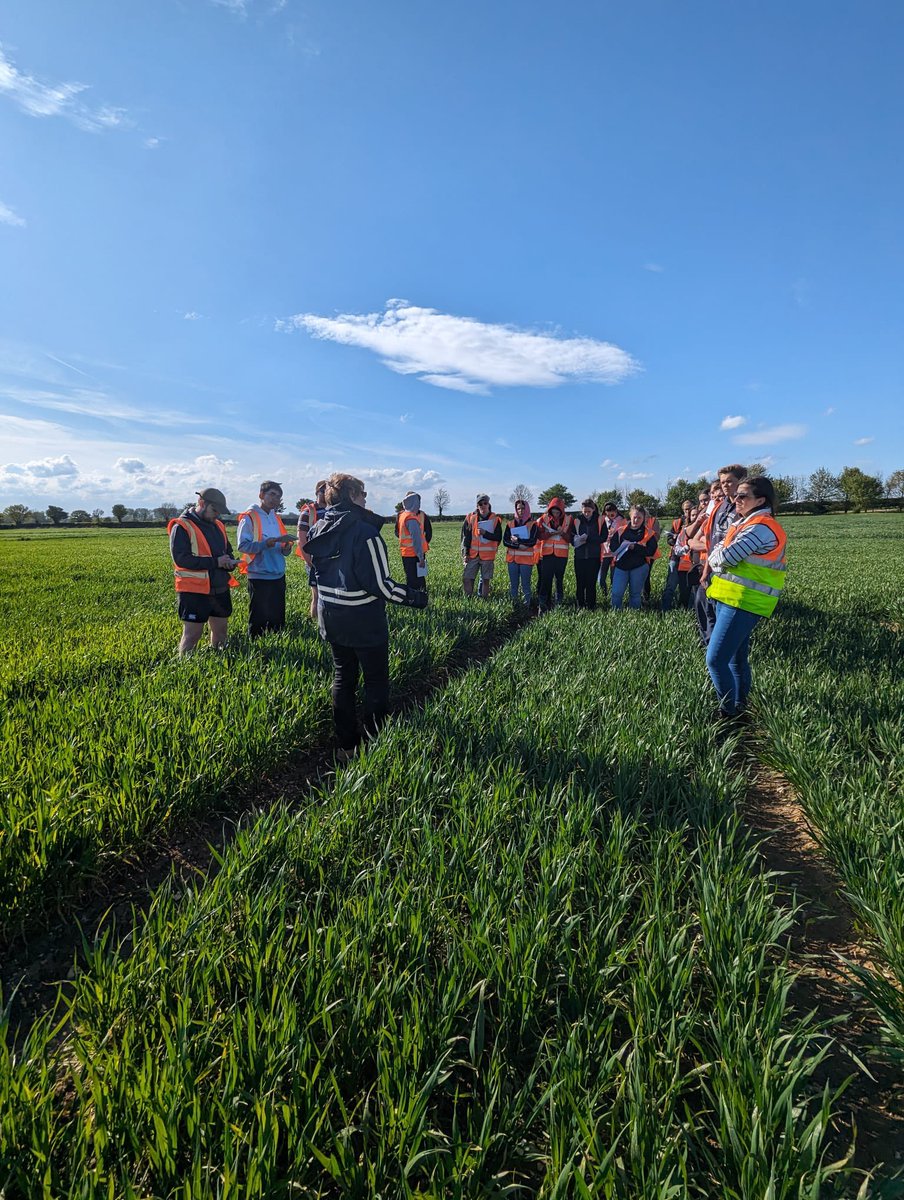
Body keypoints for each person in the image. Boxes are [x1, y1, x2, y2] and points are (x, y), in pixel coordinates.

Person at [306, 473, 428, 755]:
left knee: (342, 678)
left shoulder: (319, 528)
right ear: (351, 495)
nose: (366, 498)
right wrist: (415, 598)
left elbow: (316, 574)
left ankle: (347, 745)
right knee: (375, 682)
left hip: (331, 616)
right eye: (363, 494)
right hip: (363, 621)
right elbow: (382, 586)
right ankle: (376, 743)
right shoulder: (365, 533)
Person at [705, 476, 786, 718]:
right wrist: (718, 554)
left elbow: (724, 557)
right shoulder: (745, 523)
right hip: (730, 598)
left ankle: (727, 712)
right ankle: (740, 707)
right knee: (735, 660)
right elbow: (719, 549)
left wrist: (716, 556)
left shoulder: (761, 527)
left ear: (760, 500)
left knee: (716, 660)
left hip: (744, 601)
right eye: (736, 495)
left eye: (743, 496)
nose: (736, 499)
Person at [168, 487, 238, 655]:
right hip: (194, 591)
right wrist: (216, 562)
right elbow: (181, 559)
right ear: (201, 503)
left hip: (220, 587)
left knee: (221, 633)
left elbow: (227, 551)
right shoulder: (182, 526)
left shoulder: (219, 526)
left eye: (219, 512)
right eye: (214, 510)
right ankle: (184, 668)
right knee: (192, 635)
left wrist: (229, 562)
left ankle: (218, 661)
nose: (217, 515)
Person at [692, 465, 745, 647]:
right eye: (723, 482)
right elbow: (711, 542)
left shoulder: (744, 508)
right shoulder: (718, 508)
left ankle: (722, 647)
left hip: (734, 570)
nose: (725, 485)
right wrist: (705, 570)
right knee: (702, 603)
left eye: (730, 481)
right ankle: (709, 644)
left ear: (741, 482)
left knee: (723, 612)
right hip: (713, 566)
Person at [236, 480, 294, 638]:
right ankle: (257, 649)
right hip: (258, 573)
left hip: (278, 573)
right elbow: (242, 546)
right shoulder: (249, 518)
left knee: (277, 616)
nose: (275, 499)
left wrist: (286, 548)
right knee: (258, 617)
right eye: (272, 494)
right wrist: (265, 544)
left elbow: (283, 549)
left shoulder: (276, 518)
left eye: (279, 497)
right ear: (261, 495)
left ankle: (277, 644)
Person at [609, 505, 657, 610]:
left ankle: (634, 616)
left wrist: (635, 547)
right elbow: (612, 547)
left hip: (639, 566)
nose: (636, 520)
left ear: (644, 518)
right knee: (616, 593)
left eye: (639, 518)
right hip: (621, 566)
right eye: (634, 517)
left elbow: (651, 551)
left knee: (635, 595)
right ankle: (615, 614)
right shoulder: (621, 530)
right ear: (630, 516)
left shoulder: (648, 533)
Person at [296, 480, 327, 619]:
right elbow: (301, 539)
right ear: (316, 493)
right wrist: (309, 562)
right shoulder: (308, 512)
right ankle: (316, 623)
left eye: (328, 490)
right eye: (322, 490)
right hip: (314, 560)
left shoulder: (333, 510)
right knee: (317, 595)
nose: (326, 493)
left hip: (330, 560)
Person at [536, 497, 573, 612]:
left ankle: (558, 604)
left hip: (562, 555)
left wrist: (562, 533)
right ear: (550, 510)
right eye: (553, 512)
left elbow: (570, 539)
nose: (556, 514)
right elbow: (539, 535)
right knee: (546, 580)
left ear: (562, 511)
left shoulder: (569, 519)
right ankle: (542, 604)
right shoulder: (543, 518)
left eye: (558, 512)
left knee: (559, 579)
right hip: (547, 554)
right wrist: (549, 534)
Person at [461, 494, 502, 598]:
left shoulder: (495, 519)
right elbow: (466, 537)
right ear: (477, 505)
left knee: (485, 580)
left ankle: (484, 601)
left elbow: (498, 537)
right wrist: (465, 554)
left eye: (485, 503)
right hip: (472, 555)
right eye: (480, 503)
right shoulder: (470, 518)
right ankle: (468, 601)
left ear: (489, 504)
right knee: (467, 578)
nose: (483, 505)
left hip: (488, 555)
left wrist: (485, 533)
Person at [394, 491, 432, 590]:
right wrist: (420, 557)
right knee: (418, 579)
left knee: (410, 578)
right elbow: (416, 539)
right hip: (415, 553)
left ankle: (412, 599)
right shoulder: (411, 518)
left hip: (406, 553)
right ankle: (420, 600)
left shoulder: (402, 515)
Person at [503, 498, 538, 604]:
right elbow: (505, 541)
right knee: (513, 585)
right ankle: (514, 605)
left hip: (526, 561)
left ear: (527, 509)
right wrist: (519, 545)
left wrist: (518, 540)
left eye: (523, 508)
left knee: (525, 585)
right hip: (512, 560)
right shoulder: (510, 524)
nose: (521, 511)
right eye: (518, 509)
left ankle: (526, 606)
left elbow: (532, 541)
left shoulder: (533, 524)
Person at [661, 499, 693, 612]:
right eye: (686, 509)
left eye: (690, 508)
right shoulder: (677, 523)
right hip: (676, 557)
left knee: (687, 587)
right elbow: (668, 540)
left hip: (690, 559)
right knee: (671, 584)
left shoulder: (695, 522)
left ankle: (684, 609)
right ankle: (665, 608)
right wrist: (674, 539)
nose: (688, 511)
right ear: (683, 510)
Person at [572, 497, 603, 609]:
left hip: (593, 556)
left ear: (593, 510)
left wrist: (588, 539)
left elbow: (603, 537)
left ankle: (591, 606)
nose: (586, 514)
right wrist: (576, 540)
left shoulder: (599, 520)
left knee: (591, 583)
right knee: (580, 583)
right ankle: (580, 606)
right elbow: (572, 536)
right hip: (579, 556)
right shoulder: (577, 520)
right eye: (584, 511)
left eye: (588, 511)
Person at [598, 503, 627, 599]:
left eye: (613, 510)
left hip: (616, 553)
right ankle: (604, 595)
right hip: (604, 552)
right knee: (601, 578)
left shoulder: (622, 521)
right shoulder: (602, 520)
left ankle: (613, 596)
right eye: (609, 511)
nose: (611, 513)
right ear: (605, 512)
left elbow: (625, 534)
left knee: (613, 577)